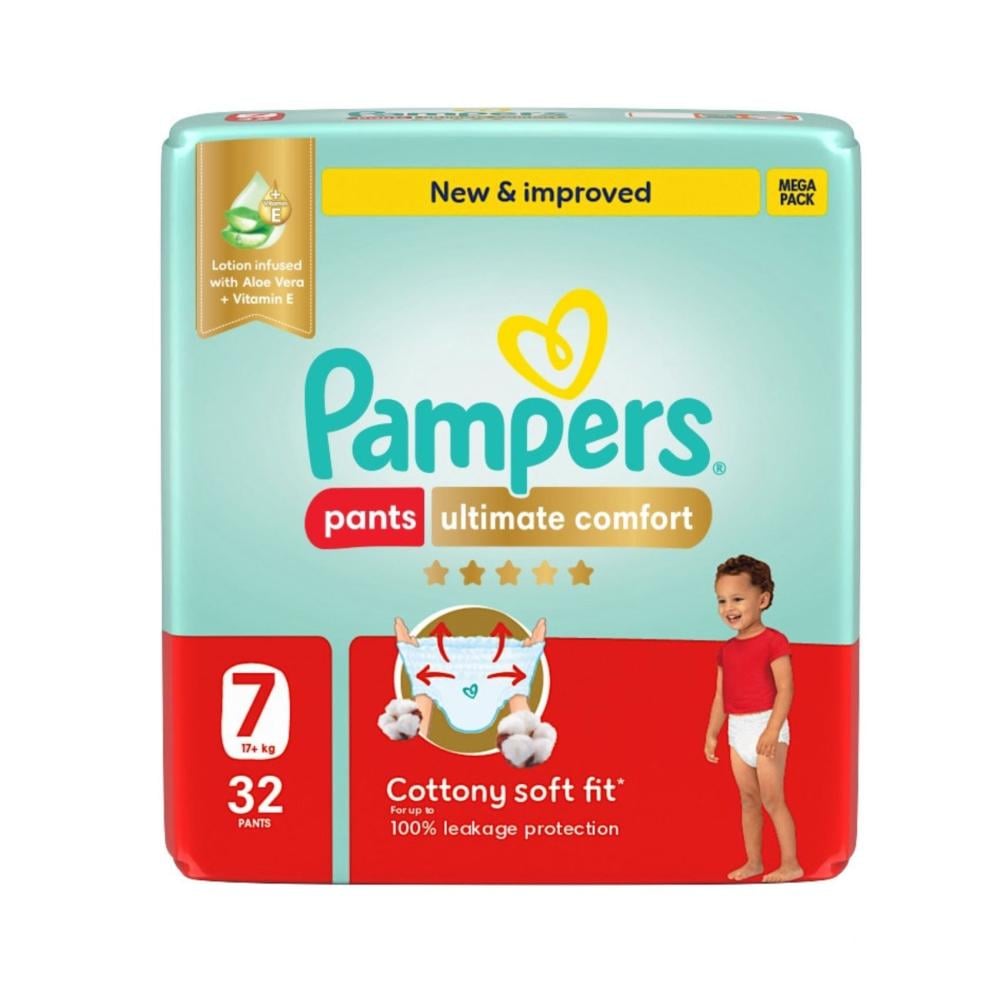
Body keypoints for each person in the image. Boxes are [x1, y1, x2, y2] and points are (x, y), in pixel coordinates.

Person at [704, 555, 803, 882]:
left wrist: (772, 730)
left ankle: (791, 863)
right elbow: (720, 696)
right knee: (748, 800)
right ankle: (754, 862)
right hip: (738, 729)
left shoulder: (774, 641)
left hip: (766, 724)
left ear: (762, 600)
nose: (728, 608)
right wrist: (712, 733)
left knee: (773, 800)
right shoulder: (726, 650)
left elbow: (786, 689)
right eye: (721, 600)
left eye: (737, 599)